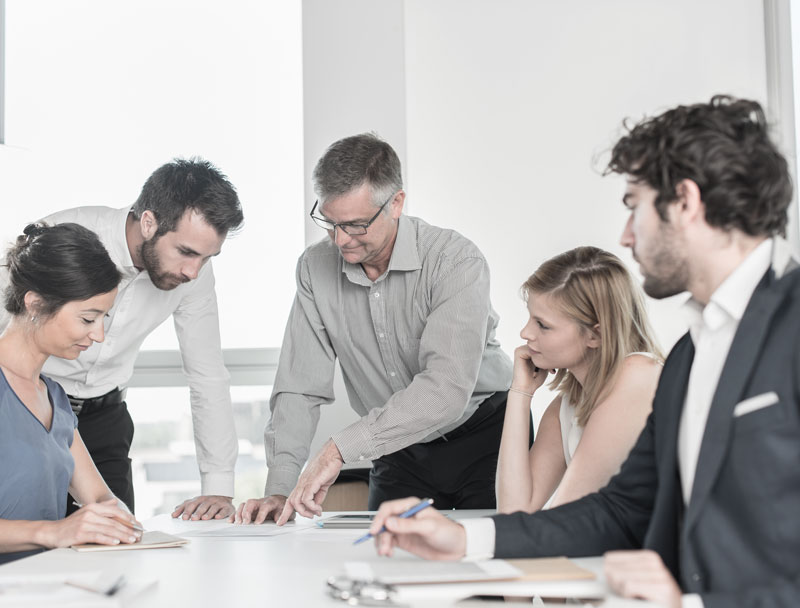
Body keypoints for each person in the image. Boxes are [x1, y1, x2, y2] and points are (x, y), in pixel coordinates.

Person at [369, 96, 800, 608]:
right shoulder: (689, 355)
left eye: (633, 206)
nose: (625, 235)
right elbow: (619, 510)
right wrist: (467, 539)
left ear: (684, 202)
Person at [235, 133, 513, 524]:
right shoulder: (315, 268)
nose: (340, 240)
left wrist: (337, 450)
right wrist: (280, 487)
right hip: (398, 448)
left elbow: (446, 389)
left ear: (396, 203)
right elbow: (299, 385)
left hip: (485, 436)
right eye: (329, 223)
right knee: (382, 569)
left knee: (487, 576)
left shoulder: (455, 262)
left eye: (356, 224)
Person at [0, 158, 245, 520]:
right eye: (187, 252)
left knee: (115, 535)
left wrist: (219, 487)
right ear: (149, 222)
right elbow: (15, 315)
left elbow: (207, 373)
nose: (193, 271)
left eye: (208, 258)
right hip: (23, 404)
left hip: (101, 416)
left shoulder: (193, 276)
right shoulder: (64, 237)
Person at [0, 223, 143, 565]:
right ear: (34, 304)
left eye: (102, 318)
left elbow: (100, 499)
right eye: (88, 319)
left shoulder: (55, 398)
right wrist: (53, 532)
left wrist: (119, 521)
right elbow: (60, 531)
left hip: (46, 586)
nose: (99, 335)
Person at [497, 246, 662, 513]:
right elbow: (514, 511)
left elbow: (570, 515)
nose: (525, 332)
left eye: (543, 325)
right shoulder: (569, 404)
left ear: (595, 336)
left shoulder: (638, 374)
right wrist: (520, 392)